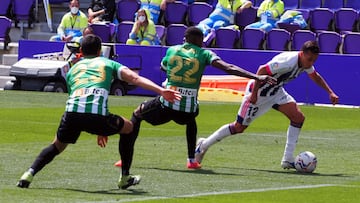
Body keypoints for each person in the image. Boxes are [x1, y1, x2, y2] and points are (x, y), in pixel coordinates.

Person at [110, 27, 276, 183]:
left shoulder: (172, 49)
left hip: (167, 105)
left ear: (186, 39)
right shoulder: (205, 54)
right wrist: (256, 77)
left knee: (137, 114)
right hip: (188, 111)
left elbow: (163, 66)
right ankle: (191, 160)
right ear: (201, 41)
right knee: (191, 116)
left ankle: (125, 158)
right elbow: (228, 67)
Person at [16, 34, 181, 189]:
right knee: (129, 127)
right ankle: (125, 177)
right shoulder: (108, 63)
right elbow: (134, 78)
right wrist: (161, 91)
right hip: (97, 116)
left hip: (72, 113)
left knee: (57, 146)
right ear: (99, 50)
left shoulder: (73, 69)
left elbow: (82, 95)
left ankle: (28, 174)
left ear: (81, 51)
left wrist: (101, 127)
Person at [194, 41, 339, 170]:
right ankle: (203, 145)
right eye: (309, 59)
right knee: (239, 127)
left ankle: (287, 159)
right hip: (260, 93)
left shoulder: (305, 63)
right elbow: (261, 70)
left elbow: (315, 76)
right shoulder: (288, 62)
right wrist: (255, 94)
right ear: (302, 54)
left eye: (314, 60)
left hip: (276, 93)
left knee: (298, 117)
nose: (311, 63)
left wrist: (330, 92)